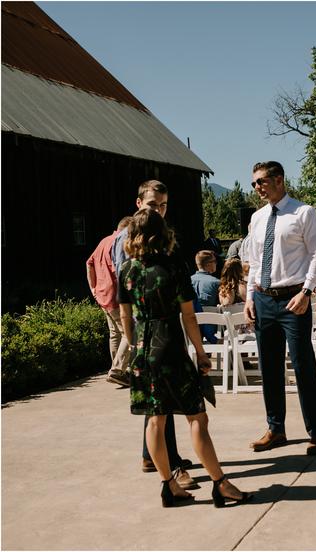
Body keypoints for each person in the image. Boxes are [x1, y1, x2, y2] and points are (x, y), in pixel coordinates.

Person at [119, 209, 252, 508]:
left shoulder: (126, 270)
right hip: (169, 347)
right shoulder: (173, 266)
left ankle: (169, 486)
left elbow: (125, 315)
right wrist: (201, 353)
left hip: (142, 350)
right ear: (161, 233)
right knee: (196, 417)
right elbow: (189, 315)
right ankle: (220, 484)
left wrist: (134, 344)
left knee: (155, 419)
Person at [111, 180, 193, 485]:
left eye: (163, 205)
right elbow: (127, 293)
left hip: (162, 331)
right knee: (161, 402)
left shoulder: (160, 237)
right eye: (153, 204)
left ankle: (152, 454)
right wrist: (133, 342)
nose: (159, 210)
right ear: (138, 204)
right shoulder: (128, 238)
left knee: (159, 401)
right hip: (149, 332)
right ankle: (168, 463)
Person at [245, 161, 316, 455]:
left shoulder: (303, 212)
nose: (256, 187)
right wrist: (249, 296)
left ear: (278, 179)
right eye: (254, 183)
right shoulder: (257, 218)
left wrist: (307, 292)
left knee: (303, 366)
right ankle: (275, 429)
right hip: (264, 299)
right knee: (268, 367)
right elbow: (254, 261)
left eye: (261, 181)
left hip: (294, 299)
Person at [86, 216, 132, 387]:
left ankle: (117, 370)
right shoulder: (120, 242)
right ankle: (118, 370)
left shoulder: (104, 241)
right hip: (116, 294)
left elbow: (88, 263)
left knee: (115, 333)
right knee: (129, 332)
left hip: (102, 295)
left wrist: (93, 288)